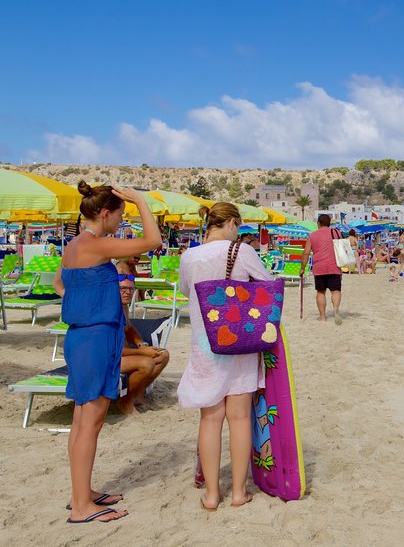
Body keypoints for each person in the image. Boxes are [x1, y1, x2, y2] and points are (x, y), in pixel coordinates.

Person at [54, 181, 160, 524]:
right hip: (95, 339)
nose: (121, 221)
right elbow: (153, 241)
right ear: (105, 213)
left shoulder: (75, 245)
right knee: (91, 422)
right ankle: (83, 507)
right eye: (120, 215)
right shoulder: (95, 245)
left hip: (84, 337)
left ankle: (80, 495)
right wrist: (141, 201)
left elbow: (61, 284)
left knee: (82, 421)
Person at [178, 203, 274, 511]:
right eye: (239, 227)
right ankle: (237, 492)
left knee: (210, 419)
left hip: (205, 347)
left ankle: (211, 495)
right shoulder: (241, 252)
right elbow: (268, 284)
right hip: (239, 343)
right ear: (231, 223)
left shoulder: (188, 257)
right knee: (240, 418)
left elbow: (186, 291)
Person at [115, 261, 169, 415]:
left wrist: (141, 345)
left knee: (163, 355)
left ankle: (137, 394)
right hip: (109, 358)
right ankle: (125, 401)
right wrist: (143, 353)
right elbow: (114, 350)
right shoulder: (110, 311)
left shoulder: (123, 306)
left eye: (131, 289)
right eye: (123, 289)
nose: (128, 292)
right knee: (146, 363)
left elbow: (129, 328)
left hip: (121, 353)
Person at [300, 214, 343, 325]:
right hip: (334, 266)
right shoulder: (336, 233)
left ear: (318, 223)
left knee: (320, 292)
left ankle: (322, 317)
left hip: (319, 268)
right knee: (336, 291)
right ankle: (336, 308)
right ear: (329, 223)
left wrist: (302, 268)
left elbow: (306, 253)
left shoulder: (312, 235)